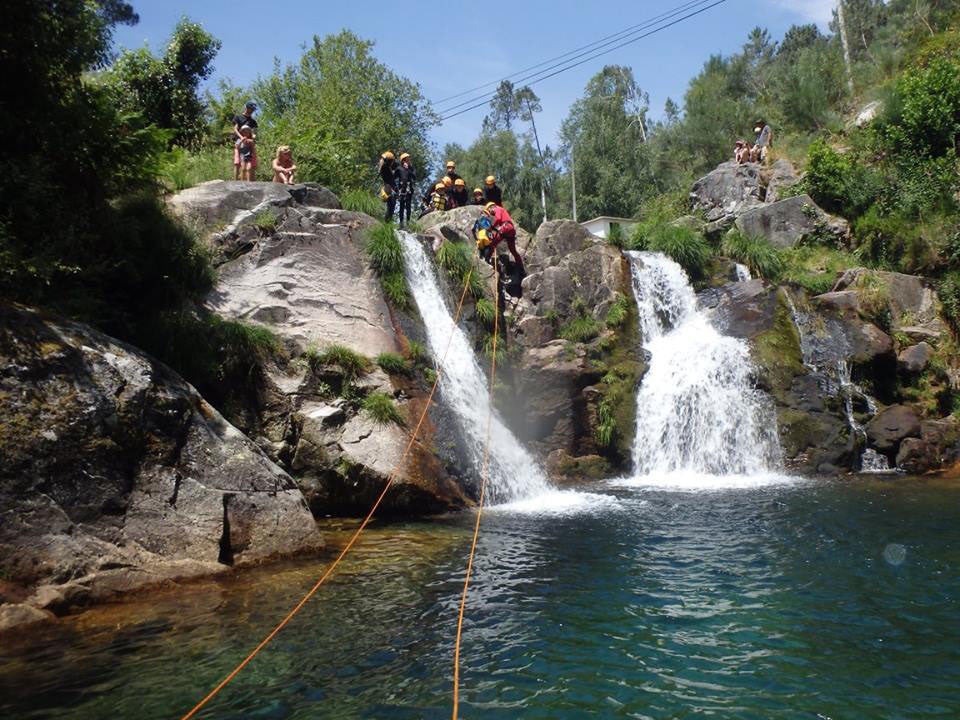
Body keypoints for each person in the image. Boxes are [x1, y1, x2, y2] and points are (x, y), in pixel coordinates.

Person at [483, 202, 523, 271]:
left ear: (491, 207)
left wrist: (491, 227)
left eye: (489, 211)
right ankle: (521, 268)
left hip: (506, 227)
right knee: (513, 250)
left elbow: (498, 218)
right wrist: (494, 228)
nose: (491, 213)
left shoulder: (497, 208)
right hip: (510, 229)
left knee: (493, 243)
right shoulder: (501, 210)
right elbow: (499, 221)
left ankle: (486, 260)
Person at [233, 102, 258, 180]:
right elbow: (235, 129)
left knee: (251, 162)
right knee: (237, 162)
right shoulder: (238, 117)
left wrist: (253, 138)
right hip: (239, 142)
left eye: (253, 109)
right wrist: (241, 138)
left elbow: (253, 132)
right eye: (251, 109)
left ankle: (250, 181)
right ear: (246, 108)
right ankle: (235, 180)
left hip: (249, 143)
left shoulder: (253, 121)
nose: (252, 111)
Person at [395, 152, 416, 227]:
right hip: (401, 190)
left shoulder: (412, 168)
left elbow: (414, 177)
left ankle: (408, 223)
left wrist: (408, 169)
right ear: (403, 160)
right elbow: (394, 178)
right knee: (401, 206)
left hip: (409, 189)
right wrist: (395, 188)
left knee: (408, 206)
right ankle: (401, 224)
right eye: (407, 159)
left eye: (409, 159)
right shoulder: (399, 168)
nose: (408, 160)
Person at [378, 151, 398, 222]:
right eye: (392, 160)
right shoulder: (384, 167)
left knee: (391, 207)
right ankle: (387, 222)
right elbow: (393, 164)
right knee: (390, 207)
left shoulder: (386, 166)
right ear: (389, 161)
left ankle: (387, 222)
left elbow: (395, 165)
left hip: (390, 187)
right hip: (388, 188)